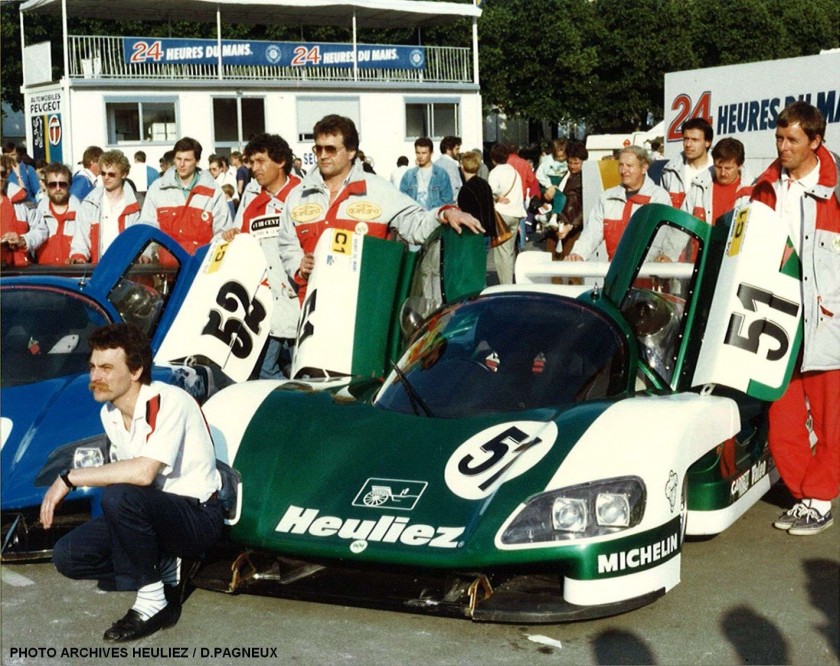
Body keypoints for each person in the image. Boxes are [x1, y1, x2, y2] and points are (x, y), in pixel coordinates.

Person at [42, 323, 224, 642]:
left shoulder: (169, 401)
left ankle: (154, 601)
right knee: (68, 555)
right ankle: (165, 564)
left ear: (136, 370)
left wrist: (69, 478)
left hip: (197, 518)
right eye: (93, 367)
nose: (95, 376)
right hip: (153, 513)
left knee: (118, 497)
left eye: (108, 368)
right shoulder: (110, 414)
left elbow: (142, 474)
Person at [276, 114, 482, 302]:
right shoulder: (298, 196)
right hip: (314, 312)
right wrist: (298, 266)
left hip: (366, 310)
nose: (322, 155)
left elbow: (415, 225)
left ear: (351, 152)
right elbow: (287, 244)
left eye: (330, 149)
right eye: (318, 148)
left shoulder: (378, 189)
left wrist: (444, 213)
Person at [750, 102, 839, 536]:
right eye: (779, 139)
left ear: (816, 142)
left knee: (830, 417)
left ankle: (821, 498)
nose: (783, 148)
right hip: (776, 314)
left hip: (828, 317)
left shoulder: (837, 188)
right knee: (782, 414)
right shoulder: (764, 186)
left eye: (793, 140)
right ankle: (806, 495)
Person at [221, 133, 301, 379]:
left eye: (260, 161)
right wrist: (234, 235)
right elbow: (246, 247)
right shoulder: (253, 203)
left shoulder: (304, 194)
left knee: (306, 370)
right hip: (267, 302)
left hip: (301, 297)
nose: (253, 168)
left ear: (280, 162)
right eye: (251, 162)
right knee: (265, 369)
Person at [569, 145, 672, 262]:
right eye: (621, 165)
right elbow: (591, 232)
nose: (623, 171)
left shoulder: (659, 198)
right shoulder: (607, 198)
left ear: (644, 168)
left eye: (629, 166)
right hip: (615, 275)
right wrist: (578, 254)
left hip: (648, 273)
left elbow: (663, 240)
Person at [140, 137, 233, 255]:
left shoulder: (213, 191)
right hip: (165, 270)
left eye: (187, 160)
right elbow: (148, 227)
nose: (182, 164)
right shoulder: (157, 189)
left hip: (200, 266)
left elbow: (222, 232)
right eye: (178, 159)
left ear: (197, 161)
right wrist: (146, 254)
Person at [70, 150, 141, 264]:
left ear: (124, 174)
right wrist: (79, 257)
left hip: (128, 270)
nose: (106, 177)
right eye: (103, 173)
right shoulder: (89, 203)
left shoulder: (137, 205)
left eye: (111, 174)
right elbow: (80, 239)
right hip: (100, 268)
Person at [685, 137, 753, 226]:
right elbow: (681, 227)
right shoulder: (698, 188)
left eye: (728, 168)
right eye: (718, 167)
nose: (723, 173)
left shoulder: (751, 194)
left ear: (740, 165)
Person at [488, 143, 525, 285]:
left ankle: (505, 284)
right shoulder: (514, 172)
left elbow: (490, 190)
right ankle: (509, 281)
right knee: (509, 252)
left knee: (500, 254)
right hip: (515, 214)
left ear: (493, 158)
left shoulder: (495, 173)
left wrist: (497, 197)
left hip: (501, 215)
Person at [1, 155, 46, 267]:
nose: (0, 178)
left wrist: (23, 240)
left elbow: (41, 229)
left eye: (2, 174)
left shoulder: (21, 200)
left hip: (19, 269)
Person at [545, 141, 588, 260]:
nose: (573, 166)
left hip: (572, 228)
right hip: (556, 225)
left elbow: (587, 206)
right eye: (570, 162)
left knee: (572, 267)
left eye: (576, 163)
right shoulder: (564, 175)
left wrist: (571, 226)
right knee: (553, 264)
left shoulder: (585, 179)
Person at [661, 117, 714, 209]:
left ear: (707, 142)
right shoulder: (670, 172)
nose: (688, 144)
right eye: (686, 139)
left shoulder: (718, 172)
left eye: (694, 140)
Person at [35, 162, 81, 265]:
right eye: (52, 184)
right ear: (46, 186)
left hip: (71, 275)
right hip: (43, 275)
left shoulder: (82, 214)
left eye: (62, 184)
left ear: (69, 185)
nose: (58, 188)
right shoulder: (36, 215)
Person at [399, 137, 454, 210]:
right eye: (418, 153)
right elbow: (402, 200)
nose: (420, 156)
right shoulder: (408, 175)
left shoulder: (441, 174)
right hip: (414, 218)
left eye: (424, 153)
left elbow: (447, 201)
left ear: (431, 153)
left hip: (433, 218)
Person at [457, 150, 495, 243]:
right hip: (487, 232)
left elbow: (464, 213)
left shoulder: (465, 188)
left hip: (473, 233)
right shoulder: (485, 184)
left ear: (462, 166)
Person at [535, 138, 569, 228]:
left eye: (563, 156)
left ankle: (545, 216)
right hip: (549, 181)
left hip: (561, 181)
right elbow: (539, 173)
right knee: (561, 197)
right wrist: (549, 185)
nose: (561, 159)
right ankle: (553, 218)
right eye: (558, 157)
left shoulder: (568, 160)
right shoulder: (548, 160)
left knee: (562, 200)